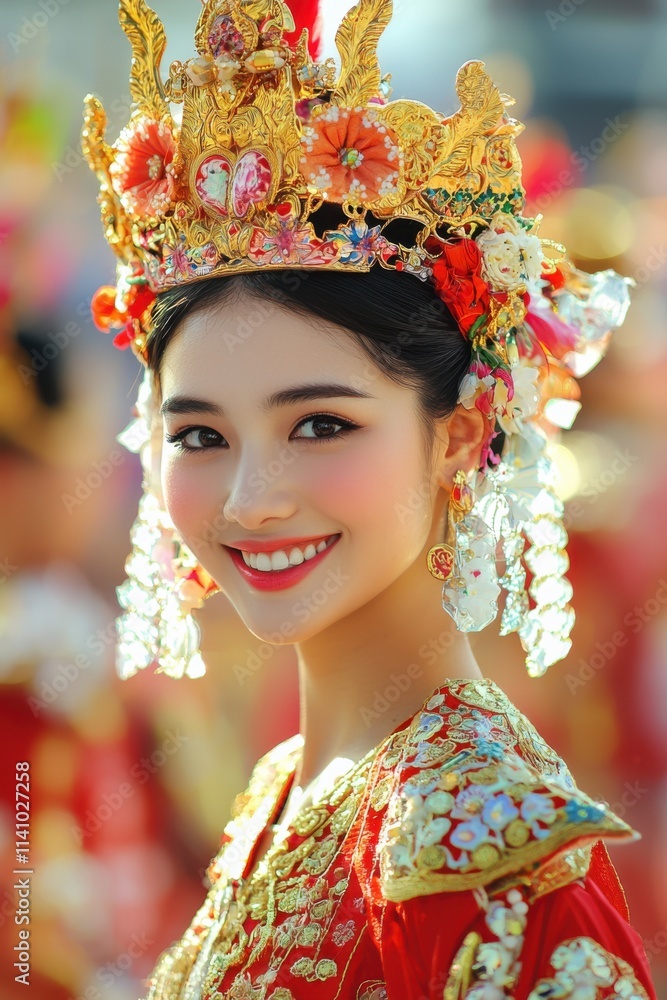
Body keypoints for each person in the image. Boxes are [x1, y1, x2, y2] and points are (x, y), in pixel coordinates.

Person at [83, 0, 657, 996]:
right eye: (200, 436)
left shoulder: (501, 871)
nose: (251, 499)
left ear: (460, 437)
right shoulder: (277, 794)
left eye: (319, 424)